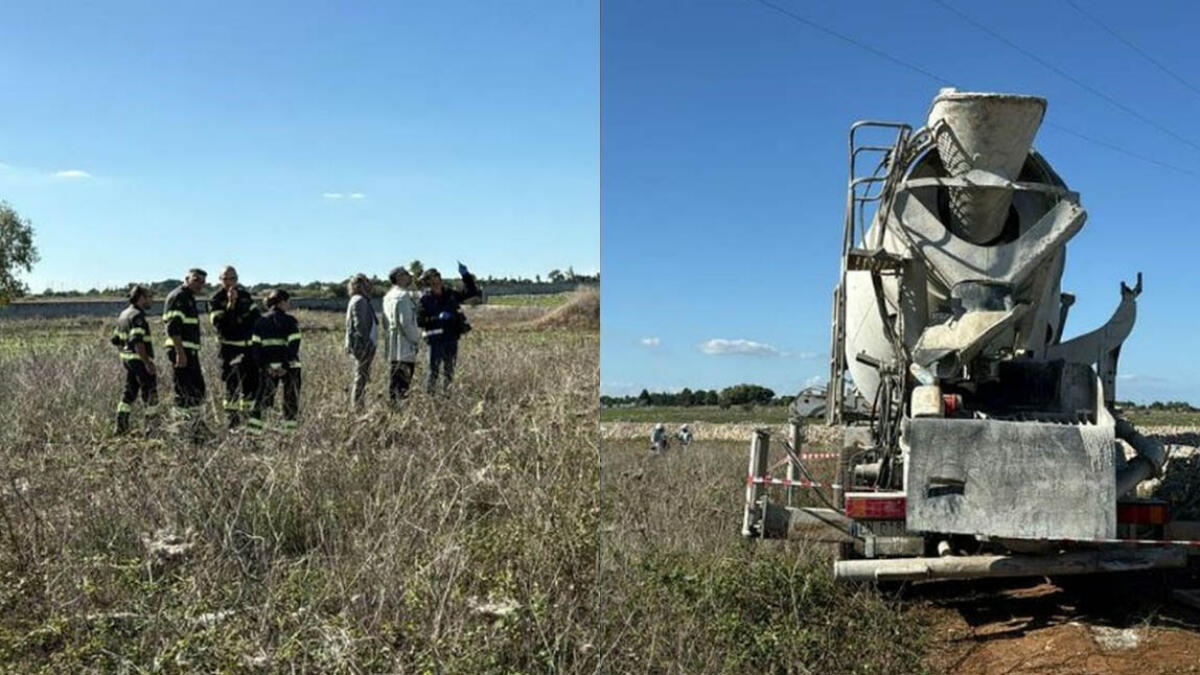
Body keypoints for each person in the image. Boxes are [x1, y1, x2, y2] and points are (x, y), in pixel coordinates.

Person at [417, 262, 480, 394]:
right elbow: (420, 321)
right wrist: (437, 318)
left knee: (449, 372)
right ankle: (430, 397)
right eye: (432, 282)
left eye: (437, 280)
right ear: (428, 284)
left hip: (451, 338)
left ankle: (447, 396)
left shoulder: (450, 294)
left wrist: (466, 276)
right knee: (433, 372)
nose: (436, 284)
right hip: (434, 341)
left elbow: (471, 292)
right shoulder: (424, 299)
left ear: (440, 279)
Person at [209, 265, 260, 428]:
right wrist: (231, 304)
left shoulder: (245, 295)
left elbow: (256, 318)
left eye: (233, 278)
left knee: (250, 385)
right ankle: (233, 422)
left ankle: (247, 420)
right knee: (232, 386)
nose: (229, 282)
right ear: (220, 280)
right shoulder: (216, 299)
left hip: (248, 348)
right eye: (226, 278)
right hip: (229, 350)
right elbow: (222, 325)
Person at [248, 290, 302, 431]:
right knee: (290, 399)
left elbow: (256, 348)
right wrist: (285, 365)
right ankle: (289, 432)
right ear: (281, 302)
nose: (289, 304)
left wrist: (265, 366)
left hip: (268, 368)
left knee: (262, 399)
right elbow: (294, 346)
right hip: (290, 367)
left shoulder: (260, 322)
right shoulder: (290, 321)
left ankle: (254, 432)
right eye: (288, 301)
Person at [111, 284, 158, 433]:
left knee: (129, 392)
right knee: (150, 393)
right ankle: (152, 429)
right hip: (139, 360)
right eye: (149, 297)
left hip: (128, 360)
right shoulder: (137, 316)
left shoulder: (123, 314)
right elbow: (138, 341)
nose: (152, 300)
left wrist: (125, 353)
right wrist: (147, 362)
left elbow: (115, 339)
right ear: (141, 298)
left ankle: (121, 426)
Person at [163, 269, 207, 419]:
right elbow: (172, 327)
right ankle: (180, 424)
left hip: (188, 350)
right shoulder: (179, 296)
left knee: (197, 389)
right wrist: (180, 352)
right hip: (181, 349)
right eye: (196, 280)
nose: (199, 284)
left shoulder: (189, 297)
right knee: (183, 390)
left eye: (202, 282)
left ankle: (196, 424)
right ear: (187, 279)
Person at [381, 266, 422, 405]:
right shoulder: (403, 296)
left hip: (392, 344)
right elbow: (406, 323)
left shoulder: (387, 296)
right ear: (399, 277)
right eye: (406, 274)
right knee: (403, 381)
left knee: (394, 379)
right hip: (405, 345)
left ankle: (393, 407)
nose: (409, 277)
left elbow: (385, 322)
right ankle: (399, 408)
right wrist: (416, 340)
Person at [344, 273, 378, 409]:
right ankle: (357, 407)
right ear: (359, 285)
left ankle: (359, 405)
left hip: (362, 345)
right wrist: (367, 344)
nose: (370, 284)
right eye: (366, 281)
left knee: (362, 376)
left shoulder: (359, 299)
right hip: (362, 347)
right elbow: (360, 326)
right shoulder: (359, 300)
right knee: (361, 377)